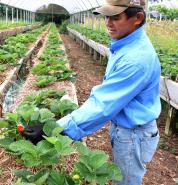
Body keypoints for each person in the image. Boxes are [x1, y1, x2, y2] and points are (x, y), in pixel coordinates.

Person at [56, 0, 161, 184]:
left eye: (115, 17)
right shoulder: (124, 44)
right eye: (106, 16)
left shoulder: (136, 59)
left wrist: (57, 129)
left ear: (138, 17)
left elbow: (103, 105)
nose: (108, 23)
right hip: (127, 129)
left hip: (133, 134)